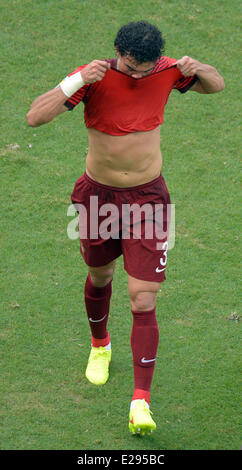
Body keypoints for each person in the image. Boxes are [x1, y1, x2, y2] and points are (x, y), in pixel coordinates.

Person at [26, 21, 225, 436]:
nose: (138, 76)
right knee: (100, 275)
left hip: (148, 200)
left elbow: (215, 85)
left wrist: (198, 66)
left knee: (143, 299)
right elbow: (34, 117)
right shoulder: (93, 77)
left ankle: (140, 402)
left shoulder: (166, 70)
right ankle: (100, 346)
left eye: (145, 69)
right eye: (132, 67)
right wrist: (77, 79)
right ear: (118, 50)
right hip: (98, 197)